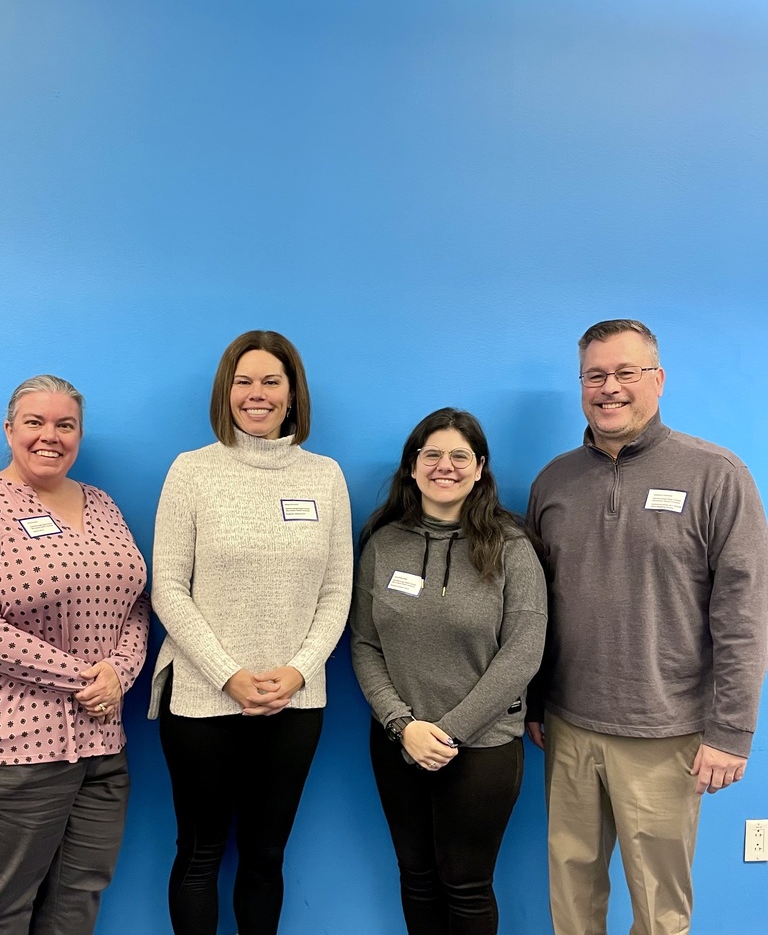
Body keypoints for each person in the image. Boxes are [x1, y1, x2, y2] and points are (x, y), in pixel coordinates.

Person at [526, 319, 768, 935]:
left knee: (660, 912)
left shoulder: (717, 474)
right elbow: (533, 607)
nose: (610, 388)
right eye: (595, 375)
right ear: (581, 385)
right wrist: (533, 703)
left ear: (657, 380)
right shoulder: (553, 482)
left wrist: (732, 731)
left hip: (667, 736)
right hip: (568, 728)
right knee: (572, 899)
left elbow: (744, 613)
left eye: (625, 373)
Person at [149, 330, 353, 935]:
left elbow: (336, 591)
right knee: (200, 854)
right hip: (202, 698)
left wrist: (296, 671)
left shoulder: (326, 477)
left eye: (271, 382)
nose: (256, 395)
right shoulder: (192, 471)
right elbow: (168, 588)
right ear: (226, 392)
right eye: (243, 382)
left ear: (293, 395)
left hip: (295, 701)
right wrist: (229, 676)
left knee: (265, 857)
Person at [0, 374, 150, 935]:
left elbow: (135, 605)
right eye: (35, 422)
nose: (49, 436)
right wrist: (83, 677)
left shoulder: (102, 505)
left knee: (76, 906)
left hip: (101, 747)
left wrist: (119, 673)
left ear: (79, 435)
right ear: (9, 430)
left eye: (65, 424)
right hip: (6, 749)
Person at [350, 407, 547, 935]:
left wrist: (449, 733)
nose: (445, 466)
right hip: (399, 743)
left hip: (482, 749)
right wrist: (403, 726)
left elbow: (523, 652)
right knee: (415, 877)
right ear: (412, 467)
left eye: (460, 456)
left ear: (480, 468)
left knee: (465, 886)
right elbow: (365, 645)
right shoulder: (383, 542)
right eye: (432, 454)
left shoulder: (512, 547)